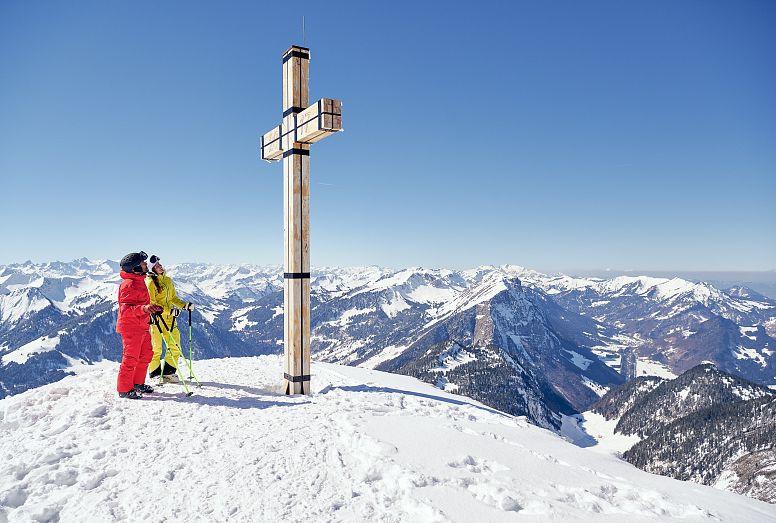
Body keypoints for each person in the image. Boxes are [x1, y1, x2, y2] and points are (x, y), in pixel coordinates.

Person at [116, 251, 162, 399]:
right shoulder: (128, 285)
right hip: (131, 327)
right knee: (130, 358)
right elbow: (126, 310)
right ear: (135, 268)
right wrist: (144, 309)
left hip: (141, 324)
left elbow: (140, 304)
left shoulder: (139, 280)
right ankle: (124, 389)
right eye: (142, 263)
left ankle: (137, 384)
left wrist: (150, 308)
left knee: (146, 355)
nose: (145, 265)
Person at [145, 255, 194, 380]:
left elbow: (173, 298)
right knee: (156, 348)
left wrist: (184, 306)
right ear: (152, 270)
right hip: (157, 319)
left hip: (170, 319)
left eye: (159, 264)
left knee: (175, 346)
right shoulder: (150, 283)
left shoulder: (168, 280)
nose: (160, 266)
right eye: (156, 266)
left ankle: (168, 373)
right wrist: (170, 311)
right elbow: (152, 303)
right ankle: (155, 374)